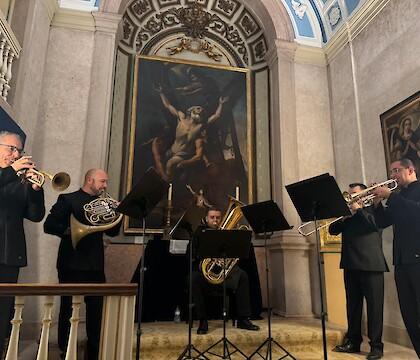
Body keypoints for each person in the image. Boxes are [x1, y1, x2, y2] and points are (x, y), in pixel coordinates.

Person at [44, 169, 120, 360]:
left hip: (95, 264)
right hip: (71, 263)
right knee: (68, 308)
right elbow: (49, 225)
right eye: (102, 181)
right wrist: (71, 231)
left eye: (106, 182)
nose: (105, 186)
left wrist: (118, 212)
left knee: (96, 311)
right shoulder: (68, 199)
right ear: (89, 180)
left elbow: (112, 232)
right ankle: (65, 349)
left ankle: (94, 351)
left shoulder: (104, 204)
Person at [329, 183, 388, 360]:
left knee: (374, 309)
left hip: (372, 266)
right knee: (352, 307)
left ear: (364, 193)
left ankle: (376, 346)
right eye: (351, 194)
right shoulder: (347, 213)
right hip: (350, 264)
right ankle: (353, 341)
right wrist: (347, 214)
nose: (352, 196)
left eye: (355, 193)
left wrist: (359, 210)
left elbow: (375, 225)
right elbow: (332, 230)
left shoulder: (374, 209)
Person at [0, 130, 45, 356]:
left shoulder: (19, 181)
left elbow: (36, 215)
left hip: (9, 256)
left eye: (19, 150)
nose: (16, 154)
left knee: (2, 316)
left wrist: (36, 191)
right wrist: (10, 171)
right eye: (11, 148)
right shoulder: (9, 174)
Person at [372, 158, 420, 357]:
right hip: (401, 262)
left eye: (396, 170)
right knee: (409, 317)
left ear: (410, 170)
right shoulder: (399, 196)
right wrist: (376, 205)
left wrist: (390, 196)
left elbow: (416, 212)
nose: (393, 176)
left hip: (418, 259)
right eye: (392, 172)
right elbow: (383, 222)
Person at [189, 207, 260, 334]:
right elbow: (190, 255)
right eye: (212, 217)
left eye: (217, 217)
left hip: (224, 274)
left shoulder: (227, 233)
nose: (215, 220)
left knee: (242, 275)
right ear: (206, 219)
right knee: (193, 279)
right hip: (205, 274)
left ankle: (243, 319)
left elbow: (237, 254)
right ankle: (202, 320)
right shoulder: (199, 233)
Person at [152, 86, 228, 180]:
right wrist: (161, 93)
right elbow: (168, 105)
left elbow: (216, 116)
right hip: (172, 150)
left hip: (183, 154)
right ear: (191, 111)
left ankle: (167, 182)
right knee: (159, 165)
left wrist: (221, 104)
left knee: (170, 164)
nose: (201, 110)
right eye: (198, 108)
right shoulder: (181, 118)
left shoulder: (200, 126)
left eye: (202, 110)